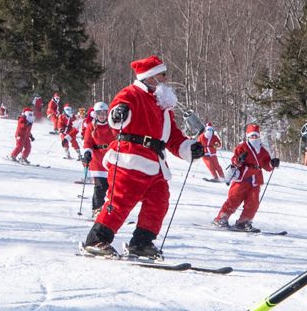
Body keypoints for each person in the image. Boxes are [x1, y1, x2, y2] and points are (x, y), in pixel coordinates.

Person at [80, 56, 205, 259]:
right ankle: (96, 240)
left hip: (155, 163)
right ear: (151, 76)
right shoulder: (131, 93)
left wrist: (189, 148)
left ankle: (141, 242)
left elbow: (172, 136)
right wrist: (118, 114)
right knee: (120, 201)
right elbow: (116, 113)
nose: (166, 78)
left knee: (159, 202)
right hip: (130, 158)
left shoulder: (163, 104)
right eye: (163, 74)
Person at [213, 122, 278, 231]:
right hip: (242, 178)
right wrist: (239, 159)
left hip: (255, 180)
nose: (254, 138)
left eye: (256, 135)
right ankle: (221, 218)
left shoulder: (262, 151)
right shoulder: (242, 147)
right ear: (248, 136)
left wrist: (272, 163)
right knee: (234, 199)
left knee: (253, 203)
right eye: (252, 136)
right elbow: (234, 160)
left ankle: (244, 221)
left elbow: (267, 166)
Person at [80, 102, 113, 212]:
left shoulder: (112, 126)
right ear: (96, 114)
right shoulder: (91, 127)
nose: (102, 116)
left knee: (112, 186)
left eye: (104, 113)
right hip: (98, 160)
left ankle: (109, 209)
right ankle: (97, 208)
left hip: (110, 158)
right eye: (100, 114)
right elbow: (87, 142)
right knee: (100, 186)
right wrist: (87, 153)